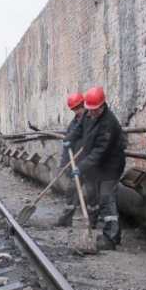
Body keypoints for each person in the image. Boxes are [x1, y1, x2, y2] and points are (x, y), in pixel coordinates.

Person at [69, 87, 126, 251]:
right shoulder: (89, 113)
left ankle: (111, 239)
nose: (91, 113)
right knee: (101, 199)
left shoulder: (109, 123)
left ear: (102, 106)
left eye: (95, 110)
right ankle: (111, 233)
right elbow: (80, 127)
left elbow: (100, 151)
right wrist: (70, 138)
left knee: (107, 200)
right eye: (90, 109)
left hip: (110, 166)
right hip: (97, 166)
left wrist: (81, 167)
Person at [57, 92, 86, 227]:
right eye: (74, 109)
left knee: (94, 194)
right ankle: (65, 220)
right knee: (71, 190)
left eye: (78, 108)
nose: (77, 111)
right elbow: (66, 147)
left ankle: (92, 222)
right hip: (77, 163)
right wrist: (63, 165)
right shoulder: (73, 124)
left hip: (92, 164)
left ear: (84, 104)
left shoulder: (92, 120)